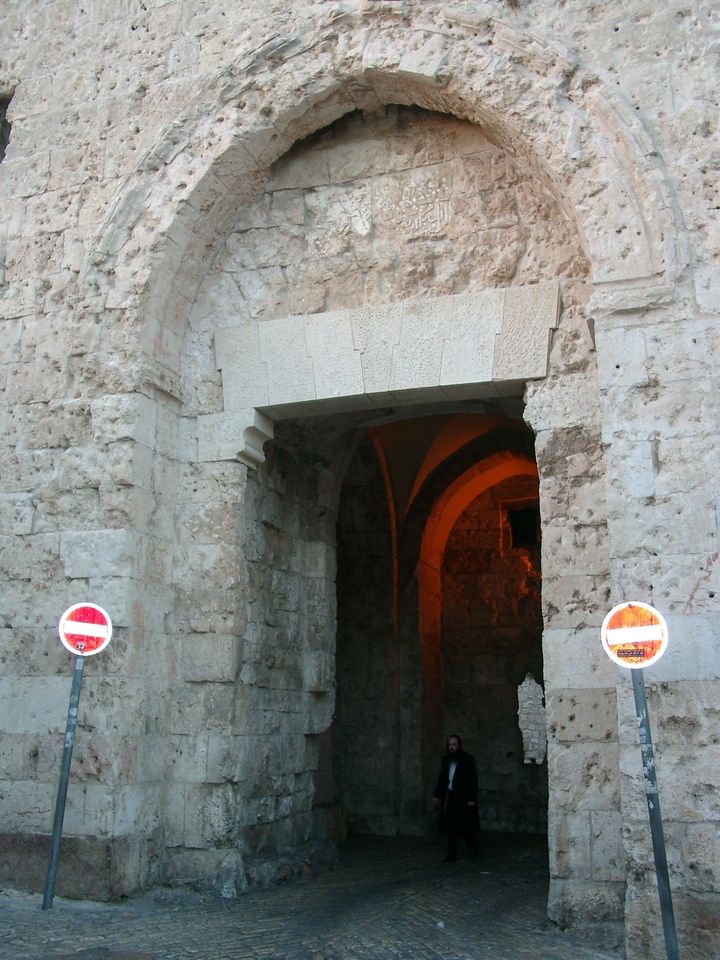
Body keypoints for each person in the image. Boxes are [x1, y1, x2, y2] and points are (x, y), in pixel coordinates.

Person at [431, 734, 480, 862]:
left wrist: (471, 798)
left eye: (454, 745)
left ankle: (472, 843)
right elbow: (442, 779)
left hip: (462, 798)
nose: (451, 747)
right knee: (450, 826)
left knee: (462, 826)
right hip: (450, 797)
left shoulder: (468, 760)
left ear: (459, 745)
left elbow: (472, 780)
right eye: (449, 745)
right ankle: (451, 855)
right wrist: (437, 795)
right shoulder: (446, 760)